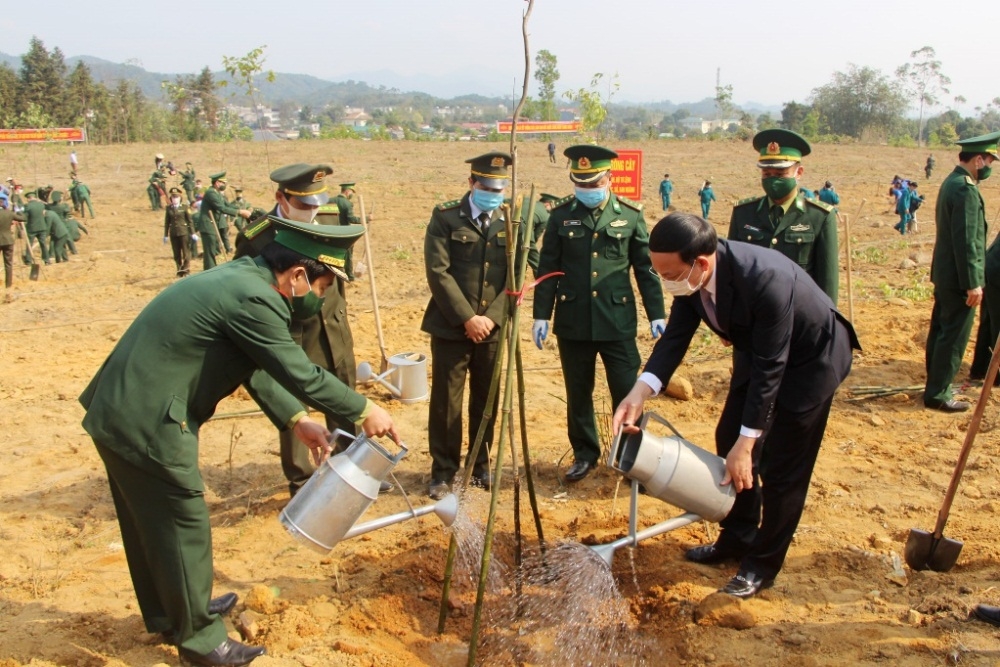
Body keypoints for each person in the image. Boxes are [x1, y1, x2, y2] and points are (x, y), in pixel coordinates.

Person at [79, 217, 400, 667]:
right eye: (325, 287)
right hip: (146, 419)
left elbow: (255, 365)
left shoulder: (242, 277)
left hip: (124, 407)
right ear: (298, 276)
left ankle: (176, 611)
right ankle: (203, 640)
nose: (323, 298)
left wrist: (296, 420)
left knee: (151, 519)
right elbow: (299, 371)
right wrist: (365, 410)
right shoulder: (256, 298)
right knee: (180, 518)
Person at [612, 211, 859, 599]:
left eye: (671, 274)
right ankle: (740, 534)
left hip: (809, 360)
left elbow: (771, 369)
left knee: (781, 466)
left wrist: (749, 443)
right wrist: (639, 392)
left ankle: (762, 564)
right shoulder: (691, 280)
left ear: (702, 263)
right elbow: (674, 338)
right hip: (759, 349)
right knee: (729, 434)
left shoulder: (765, 279)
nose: (666, 282)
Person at [233, 163, 381, 497]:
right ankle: (303, 482)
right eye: (303, 205)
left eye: (316, 202)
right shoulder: (257, 237)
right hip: (291, 335)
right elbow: (249, 289)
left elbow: (338, 274)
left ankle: (354, 472)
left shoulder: (329, 218)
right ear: (281, 199)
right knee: (296, 408)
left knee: (344, 398)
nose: (312, 211)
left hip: (333, 328)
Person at [533, 144, 665, 482]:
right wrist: (541, 315)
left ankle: (630, 457)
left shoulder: (631, 215)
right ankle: (584, 454)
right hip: (573, 320)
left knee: (627, 390)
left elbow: (645, 270)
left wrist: (656, 314)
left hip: (616, 321)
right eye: (580, 183)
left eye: (593, 183)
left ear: (608, 178)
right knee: (579, 393)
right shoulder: (561, 215)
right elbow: (548, 268)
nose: (587, 190)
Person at [422, 152, 514, 499]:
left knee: (485, 400)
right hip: (451, 326)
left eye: (499, 187)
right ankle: (443, 472)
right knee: (447, 401)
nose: (493, 192)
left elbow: (517, 274)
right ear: (472, 183)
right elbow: (438, 271)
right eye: (487, 186)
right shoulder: (445, 217)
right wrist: (467, 317)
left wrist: (491, 318)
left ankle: (480, 466)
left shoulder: (510, 219)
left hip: (492, 327)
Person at [925, 131, 1000, 412]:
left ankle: (935, 385)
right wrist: (973, 283)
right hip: (959, 279)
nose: (991, 166)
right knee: (953, 336)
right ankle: (939, 394)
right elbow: (967, 240)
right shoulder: (965, 190)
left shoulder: (952, 182)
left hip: (946, 274)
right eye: (990, 160)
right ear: (979, 159)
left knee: (941, 331)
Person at [728, 128, 839, 301]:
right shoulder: (743, 213)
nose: (773, 179)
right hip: (753, 316)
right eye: (767, 174)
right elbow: (732, 271)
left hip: (799, 316)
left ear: (799, 172)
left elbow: (827, 282)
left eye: (780, 174)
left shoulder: (820, 217)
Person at [196, 172, 251, 271]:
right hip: (208, 225)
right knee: (210, 251)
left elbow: (228, 205)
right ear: (217, 183)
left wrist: (243, 209)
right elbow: (221, 208)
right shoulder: (211, 193)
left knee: (214, 250)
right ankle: (209, 272)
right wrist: (240, 212)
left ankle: (211, 270)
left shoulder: (218, 193)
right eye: (223, 183)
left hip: (213, 225)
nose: (224, 185)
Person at [164, 187, 195, 278]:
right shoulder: (169, 208)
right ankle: (179, 270)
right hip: (174, 233)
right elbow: (167, 222)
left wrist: (192, 232)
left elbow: (190, 221)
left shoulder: (185, 207)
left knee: (186, 252)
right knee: (176, 253)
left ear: (180, 197)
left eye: (176, 197)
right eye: (173, 197)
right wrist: (165, 234)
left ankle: (186, 269)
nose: (175, 199)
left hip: (184, 232)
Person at [0, 198, 27, 288]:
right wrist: (18, 210)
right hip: (8, 240)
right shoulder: (9, 213)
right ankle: (8, 285)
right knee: (8, 264)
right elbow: (23, 218)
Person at [23, 191, 49, 265]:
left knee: (29, 244)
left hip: (32, 228)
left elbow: (25, 217)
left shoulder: (28, 206)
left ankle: (28, 260)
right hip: (42, 227)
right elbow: (44, 213)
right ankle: (47, 260)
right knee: (43, 244)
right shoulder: (41, 204)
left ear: (29, 198)